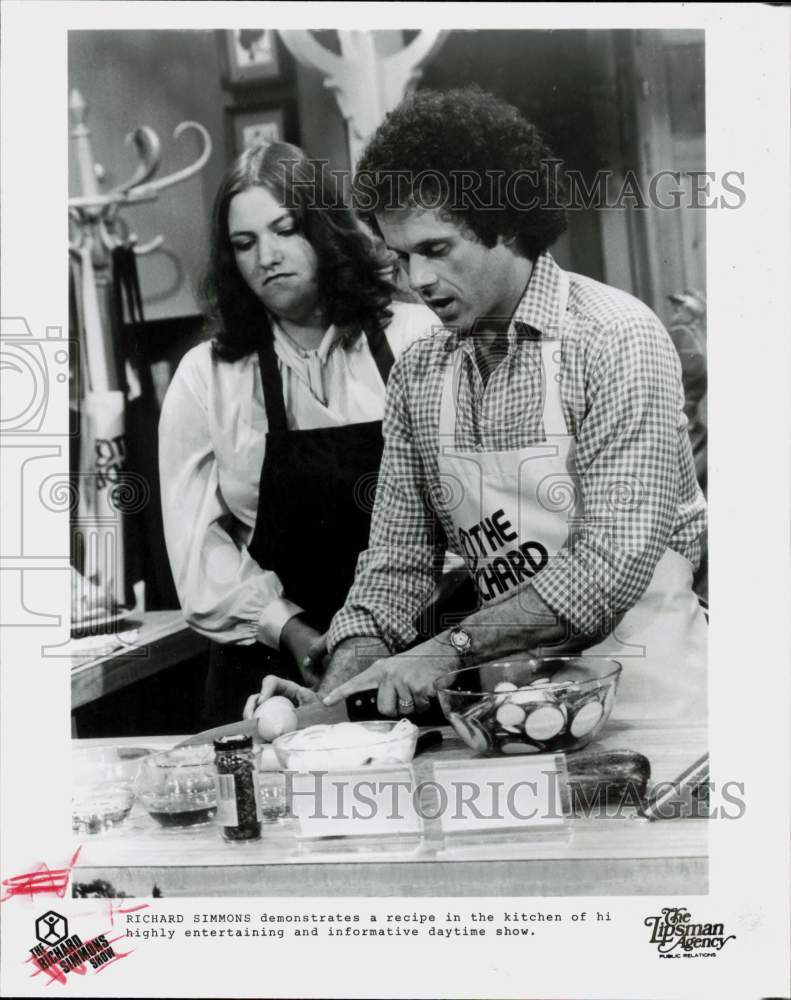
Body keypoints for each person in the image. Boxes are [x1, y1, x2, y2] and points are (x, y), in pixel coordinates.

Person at [245, 87, 708, 726]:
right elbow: (395, 569)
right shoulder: (421, 374)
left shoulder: (615, 338)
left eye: (436, 250)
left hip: (658, 712)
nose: (418, 281)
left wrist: (449, 648)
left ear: (507, 224)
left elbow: (608, 567)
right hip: (518, 720)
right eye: (401, 256)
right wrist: (334, 694)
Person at [159, 140, 441, 727]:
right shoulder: (206, 377)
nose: (267, 256)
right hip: (274, 676)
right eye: (245, 243)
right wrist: (290, 629)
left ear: (324, 230)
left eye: (285, 229)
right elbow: (198, 548)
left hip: (412, 661)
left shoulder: (417, 339)